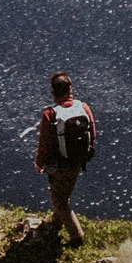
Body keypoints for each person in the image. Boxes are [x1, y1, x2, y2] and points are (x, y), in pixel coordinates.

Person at [35, 71, 98, 243]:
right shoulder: (83, 107)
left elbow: (44, 143)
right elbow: (92, 133)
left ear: (53, 91)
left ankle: (77, 237)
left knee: (59, 201)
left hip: (59, 165)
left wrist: (39, 163)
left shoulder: (50, 114)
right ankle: (56, 223)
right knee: (64, 193)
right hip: (78, 162)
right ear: (70, 88)